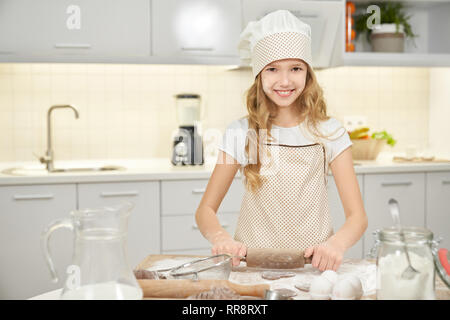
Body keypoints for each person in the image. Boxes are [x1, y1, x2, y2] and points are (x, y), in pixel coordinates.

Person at [195, 10, 368, 271]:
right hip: (252, 269)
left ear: (308, 74)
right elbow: (205, 210)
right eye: (273, 69)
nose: (285, 81)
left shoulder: (329, 132)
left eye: (295, 68)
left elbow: (358, 218)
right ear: (259, 75)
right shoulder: (243, 133)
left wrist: (336, 245)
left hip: (313, 269)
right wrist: (221, 238)